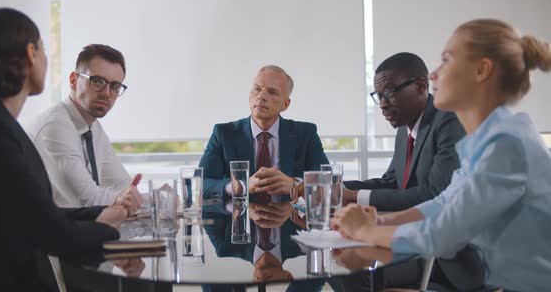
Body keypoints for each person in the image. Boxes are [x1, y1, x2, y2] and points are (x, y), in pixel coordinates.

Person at [331, 19, 551, 291]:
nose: (434, 74)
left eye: (446, 60)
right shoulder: (489, 140)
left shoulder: (506, 144)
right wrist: (383, 220)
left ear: (482, 70)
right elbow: (444, 202)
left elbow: (442, 236)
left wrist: (365, 231)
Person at [0, 8, 131, 290]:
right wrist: (106, 226)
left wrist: (101, 213)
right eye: (43, 51)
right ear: (31, 53)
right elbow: (52, 233)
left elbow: (39, 213)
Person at [342, 52, 465, 211]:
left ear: (421, 86)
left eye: (389, 92)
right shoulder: (404, 126)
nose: (382, 104)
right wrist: (337, 188)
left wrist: (354, 196)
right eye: (379, 96)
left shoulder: (449, 121)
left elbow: (436, 194)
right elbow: (392, 182)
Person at [27, 44, 142, 212]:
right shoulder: (55, 125)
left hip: (76, 229)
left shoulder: (92, 127)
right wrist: (135, 200)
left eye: (115, 86)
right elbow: (89, 199)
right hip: (44, 233)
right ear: (74, 80)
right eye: (97, 81)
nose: (107, 93)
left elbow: (123, 185)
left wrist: (148, 199)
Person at [199, 65, 329, 201]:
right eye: (257, 89)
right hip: (238, 218)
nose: (261, 96)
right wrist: (240, 186)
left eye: (272, 92)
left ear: (286, 104)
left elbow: (328, 182)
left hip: (291, 218)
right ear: (249, 95)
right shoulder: (224, 134)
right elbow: (201, 185)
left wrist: (294, 185)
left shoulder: (306, 134)